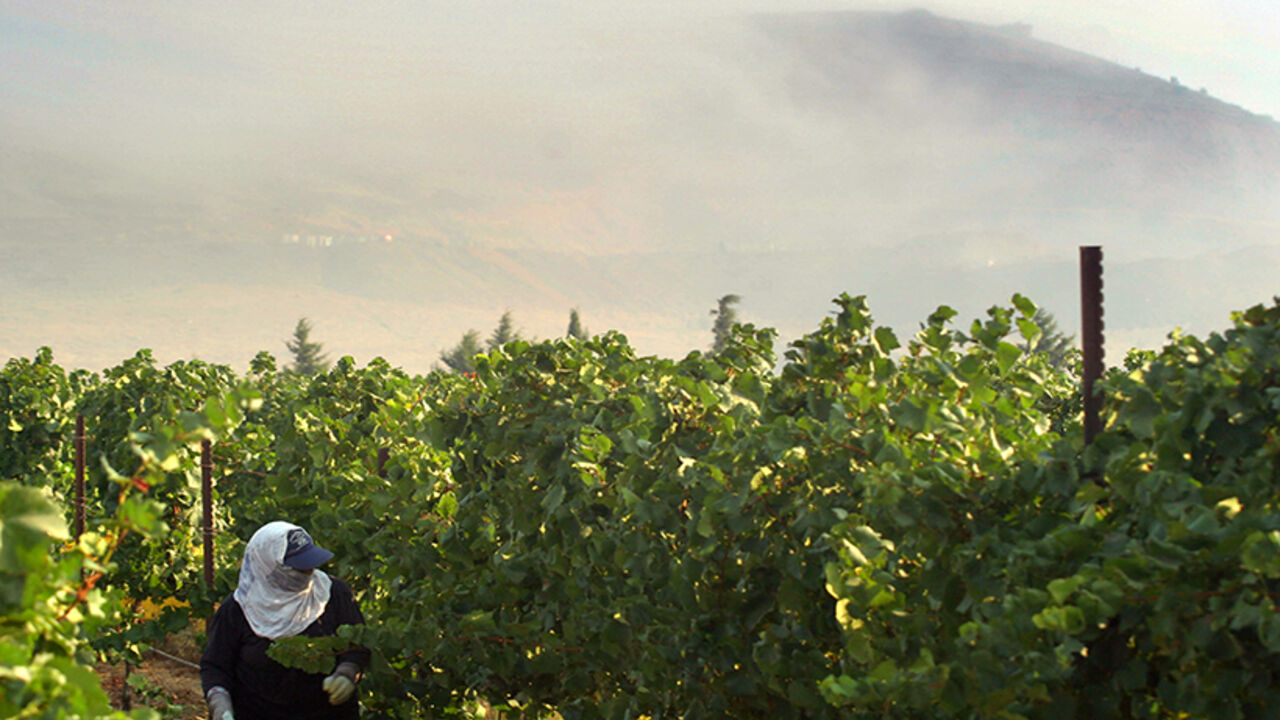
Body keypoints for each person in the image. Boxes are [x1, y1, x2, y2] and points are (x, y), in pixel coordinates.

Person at [200, 521, 370, 720]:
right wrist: (220, 705)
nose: (309, 572)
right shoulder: (238, 610)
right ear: (268, 568)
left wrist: (348, 672)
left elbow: (358, 645)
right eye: (300, 567)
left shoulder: (333, 594)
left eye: (311, 565)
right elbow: (215, 666)